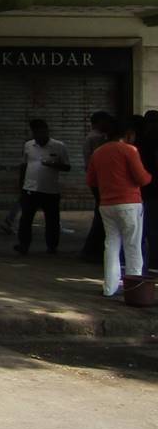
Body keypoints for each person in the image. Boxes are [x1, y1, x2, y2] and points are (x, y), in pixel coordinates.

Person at [87, 114, 151, 298]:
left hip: (106, 205)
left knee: (111, 245)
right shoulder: (129, 150)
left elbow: (91, 180)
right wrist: (150, 177)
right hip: (130, 204)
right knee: (132, 246)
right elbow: (141, 178)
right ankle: (134, 289)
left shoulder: (98, 152)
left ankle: (110, 287)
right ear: (129, 134)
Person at [14, 119, 70, 255]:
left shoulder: (59, 146)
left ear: (47, 131)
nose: (40, 136)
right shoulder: (28, 145)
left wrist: (53, 164)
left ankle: (52, 246)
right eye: (36, 133)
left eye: (42, 132)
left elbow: (67, 166)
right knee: (26, 218)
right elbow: (24, 165)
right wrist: (21, 186)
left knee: (52, 220)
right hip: (30, 188)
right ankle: (23, 245)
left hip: (50, 190)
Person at [79, 111, 113, 263]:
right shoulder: (97, 138)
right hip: (100, 181)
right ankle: (91, 249)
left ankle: (91, 249)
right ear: (99, 122)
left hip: (95, 180)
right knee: (102, 216)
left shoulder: (91, 137)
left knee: (100, 214)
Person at [139, 111, 158, 273]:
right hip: (149, 190)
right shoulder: (144, 142)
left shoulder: (142, 142)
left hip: (148, 190)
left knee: (150, 228)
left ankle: (153, 260)